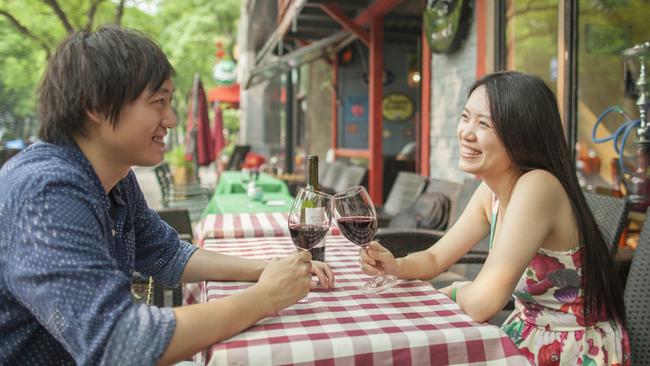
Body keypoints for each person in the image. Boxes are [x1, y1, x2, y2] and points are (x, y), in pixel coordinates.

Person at [0, 25, 334, 365]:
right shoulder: (46, 192)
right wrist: (266, 298)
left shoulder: (116, 179)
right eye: (158, 102)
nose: (171, 119)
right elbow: (121, 342)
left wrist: (268, 271)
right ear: (96, 106)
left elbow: (168, 254)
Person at [360, 71, 629, 364]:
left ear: (521, 136)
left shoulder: (538, 186)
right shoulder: (491, 192)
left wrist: (456, 289)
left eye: (484, 123)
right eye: (466, 117)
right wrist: (395, 266)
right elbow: (436, 259)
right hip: (524, 332)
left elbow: (483, 303)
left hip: (573, 348)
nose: (466, 132)